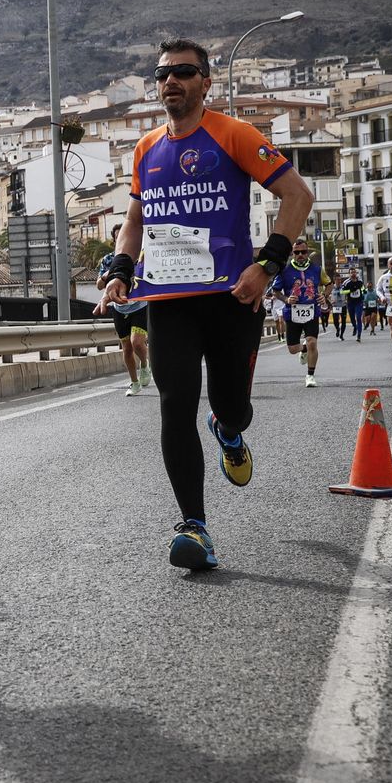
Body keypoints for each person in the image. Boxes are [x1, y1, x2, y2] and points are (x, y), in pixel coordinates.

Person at [97, 37, 313, 572]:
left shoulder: (233, 134)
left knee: (231, 403)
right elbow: (136, 219)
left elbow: (299, 196)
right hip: (168, 299)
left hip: (232, 297)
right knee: (174, 404)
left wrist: (267, 266)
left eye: (184, 72)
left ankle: (230, 429)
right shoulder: (146, 149)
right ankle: (194, 526)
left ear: (205, 82)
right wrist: (121, 270)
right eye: (163, 73)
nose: (171, 81)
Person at [96, 225, 152, 395]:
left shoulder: (140, 257)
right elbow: (99, 285)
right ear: (115, 239)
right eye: (118, 236)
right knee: (127, 348)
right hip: (119, 308)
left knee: (137, 342)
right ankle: (134, 383)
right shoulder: (108, 260)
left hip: (139, 305)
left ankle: (144, 364)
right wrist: (108, 275)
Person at [271, 239, 328, 387]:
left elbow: (329, 284)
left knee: (312, 342)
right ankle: (303, 349)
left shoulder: (317, 269)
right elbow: (275, 291)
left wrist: (324, 296)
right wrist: (286, 299)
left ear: (307, 252)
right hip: (292, 313)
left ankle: (310, 376)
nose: (300, 255)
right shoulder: (284, 271)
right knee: (292, 349)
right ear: (292, 253)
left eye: (303, 252)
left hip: (312, 311)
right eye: (297, 252)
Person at [338, 266, 365, 342]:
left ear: (356, 273)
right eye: (351, 272)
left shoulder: (360, 281)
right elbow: (341, 291)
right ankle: (354, 326)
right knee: (352, 319)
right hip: (350, 303)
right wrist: (350, 291)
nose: (353, 274)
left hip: (359, 302)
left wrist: (363, 291)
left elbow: (362, 288)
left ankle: (359, 335)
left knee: (359, 318)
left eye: (354, 272)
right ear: (349, 274)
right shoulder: (346, 282)